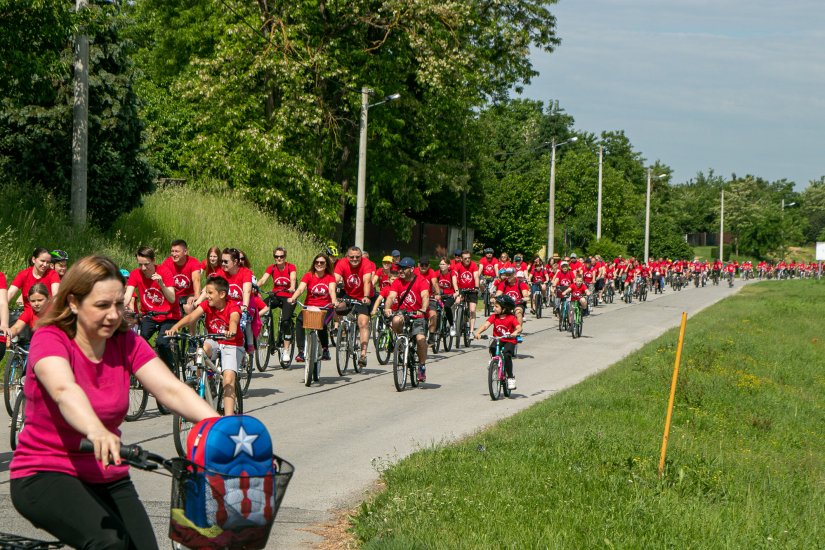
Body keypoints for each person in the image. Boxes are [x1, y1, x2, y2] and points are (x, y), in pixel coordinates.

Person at [10, 255, 217, 550]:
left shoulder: (125, 341)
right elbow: (63, 389)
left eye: (118, 304)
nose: (113, 315)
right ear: (72, 302)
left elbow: (171, 389)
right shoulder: (50, 338)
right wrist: (95, 430)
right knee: (109, 543)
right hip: (44, 471)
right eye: (102, 306)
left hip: (107, 471)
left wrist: (222, 425)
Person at [166, 276, 241, 414]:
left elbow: (234, 319)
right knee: (201, 350)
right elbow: (191, 317)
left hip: (232, 343)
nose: (207, 296)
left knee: (228, 379)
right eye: (206, 292)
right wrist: (175, 327)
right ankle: (204, 382)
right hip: (214, 340)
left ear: (222, 294)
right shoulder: (207, 305)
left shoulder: (233, 306)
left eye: (210, 293)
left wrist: (232, 331)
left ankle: (228, 419)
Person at [124, 246, 180, 374]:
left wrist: (162, 284)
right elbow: (128, 295)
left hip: (169, 315)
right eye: (140, 264)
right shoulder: (135, 274)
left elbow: (171, 299)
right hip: (149, 315)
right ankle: (151, 362)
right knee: (138, 339)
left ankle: (171, 372)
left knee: (162, 343)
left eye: (147, 264)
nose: (143, 268)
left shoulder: (164, 272)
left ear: (154, 260)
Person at [385, 257, 430, 382]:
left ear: (411, 269)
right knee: (395, 321)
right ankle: (400, 343)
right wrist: (387, 308)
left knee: (420, 340)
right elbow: (391, 296)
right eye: (399, 268)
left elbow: (425, 296)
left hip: (418, 315)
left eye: (403, 268)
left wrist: (423, 308)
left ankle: (421, 366)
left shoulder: (421, 281)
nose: (400, 271)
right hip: (403, 313)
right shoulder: (397, 282)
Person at [289, 253, 339, 363]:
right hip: (310, 307)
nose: (319, 264)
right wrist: (293, 298)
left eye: (322, 262)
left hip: (325, 307)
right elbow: (300, 289)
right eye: (317, 262)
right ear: (314, 263)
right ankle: (301, 351)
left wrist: (334, 300)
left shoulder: (330, 277)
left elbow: (331, 290)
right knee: (299, 321)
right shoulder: (309, 275)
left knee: (322, 324)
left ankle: (325, 349)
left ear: (326, 264)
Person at [334, 246, 372, 367]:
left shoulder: (366, 263)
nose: (355, 259)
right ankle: (343, 329)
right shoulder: (341, 263)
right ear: (347, 257)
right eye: (352, 257)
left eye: (357, 257)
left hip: (362, 296)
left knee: (363, 322)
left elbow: (366, 281)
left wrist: (366, 296)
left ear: (361, 256)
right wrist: (332, 294)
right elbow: (335, 278)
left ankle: (363, 354)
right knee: (336, 307)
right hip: (348, 293)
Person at [257, 246, 297, 360]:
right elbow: (263, 280)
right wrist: (255, 287)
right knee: (262, 306)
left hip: (288, 296)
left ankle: (286, 350)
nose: (279, 258)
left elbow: (293, 278)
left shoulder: (290, 267)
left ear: (285, 257)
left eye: (281, 256)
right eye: (276, 256)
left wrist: (292, 287)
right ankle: (266, 328)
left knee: (285, 321)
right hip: (276, 295)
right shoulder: (272, 268)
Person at [474, 294, 522, 390]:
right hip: (498, 339)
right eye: (494, 306)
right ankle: (495, 363)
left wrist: (515, 333)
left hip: (509, 340)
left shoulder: (511, 318)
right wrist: (478, 333)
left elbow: (519, 328)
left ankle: (510, 378)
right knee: (492, 348)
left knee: (507, 354)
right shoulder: (494, 316)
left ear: (504, 308)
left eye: (496, 306)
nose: (494, 308)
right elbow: (485, 325)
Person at [8, 247, 61, 312]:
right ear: (34, 259)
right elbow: (10, 293)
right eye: (42, 261)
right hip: (27, 315)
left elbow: (55, 295)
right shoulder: (23, 274)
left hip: (46, 314)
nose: (45, 265)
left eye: (48, 262)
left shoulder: (53, 274)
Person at [452, 250, 480, 336]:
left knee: (472, 310)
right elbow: (454, 280)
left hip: (472, 290)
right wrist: (456, 291)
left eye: (469, 258)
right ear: (461, 259)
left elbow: (476, 276)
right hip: (461, 289)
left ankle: (471, 331)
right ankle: (454, 324)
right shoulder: (457, 266)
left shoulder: (474, 265)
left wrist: (476, 287)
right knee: (456, 303)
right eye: (465, 258)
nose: (467, 260)